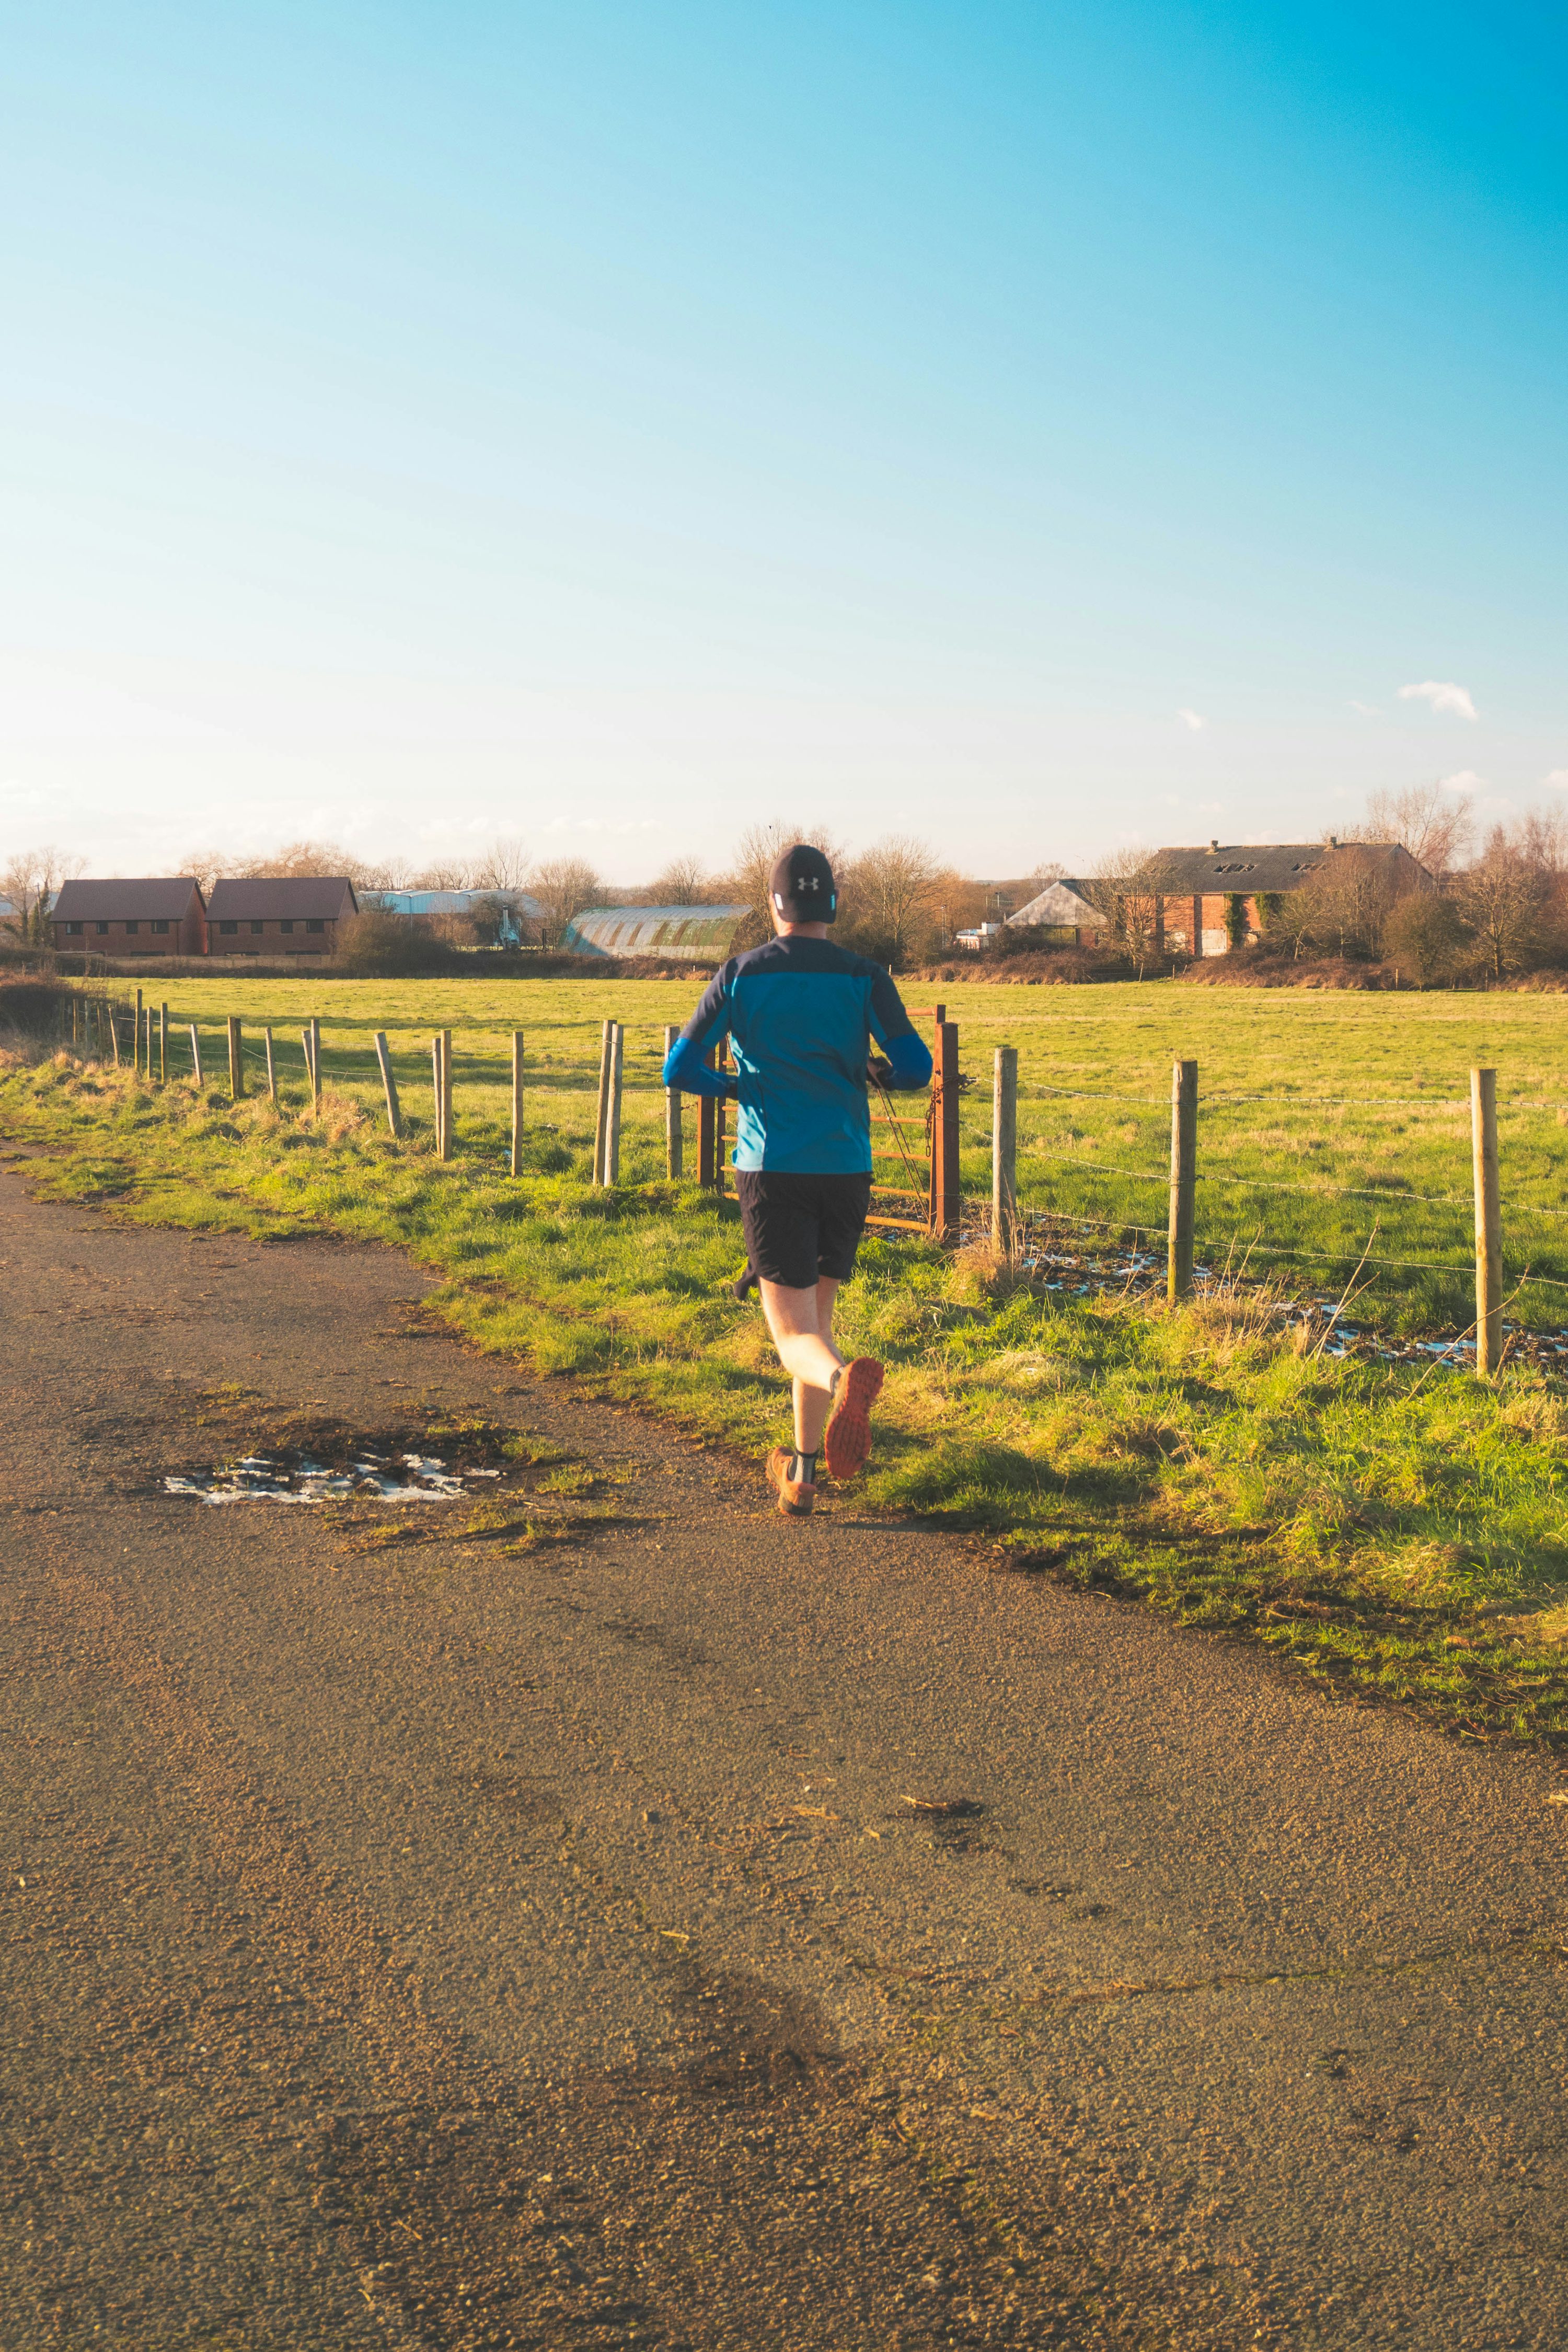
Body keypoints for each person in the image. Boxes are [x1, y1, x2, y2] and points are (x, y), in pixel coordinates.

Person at [662, 844, 933, 1515]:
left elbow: (679, 1071)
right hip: (845, 1168)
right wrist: (872, 1070)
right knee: (816, 1322)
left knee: (794, 1340)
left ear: (775, 905)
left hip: (772, 1166)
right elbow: (916, 1068)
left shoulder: (741, 974)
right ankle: (804, 1474)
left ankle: (845, 1381)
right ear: (832, 904)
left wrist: (736, 1086)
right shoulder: (865, 975)